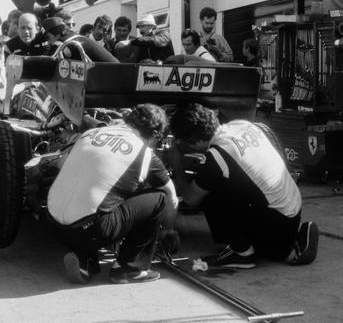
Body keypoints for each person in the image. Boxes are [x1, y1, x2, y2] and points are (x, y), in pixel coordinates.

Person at [168, 103, 319, 269]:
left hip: (275, 228)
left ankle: (242, 253)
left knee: (210, 189)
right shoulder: (242, 125)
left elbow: (190, 199)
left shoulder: (218, 156)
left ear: (194, 140)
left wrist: (177, 165)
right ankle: (295, 238)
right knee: (221, 176)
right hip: (291, 210)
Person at [47, 103, 179, 284]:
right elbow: (171, 198)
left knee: (97, 194)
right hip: (92, 229)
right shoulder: (144, 153)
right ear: (155, 135)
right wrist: (169, 231)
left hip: (54, 225)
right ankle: (130, 268)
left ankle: (85, 259)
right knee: (159, 199)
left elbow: (61, 164)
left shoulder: (90, 134)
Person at [42, 17, 118, 62]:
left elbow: (49, 65)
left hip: (111, 77)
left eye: (47, 37)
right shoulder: (75, 37)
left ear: (55, 33)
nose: (48, 42)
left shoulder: (64, 42)